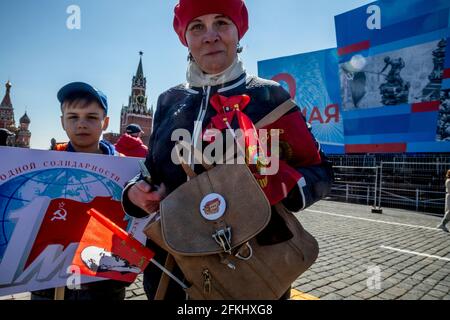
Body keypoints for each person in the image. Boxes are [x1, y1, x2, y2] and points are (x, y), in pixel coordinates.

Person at [121, 0, 333, 300]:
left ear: (238, 32)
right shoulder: (169, 100)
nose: (210, 35)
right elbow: (149, 171)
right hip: (172, 273)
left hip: (252, 271)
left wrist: (283, 184)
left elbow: (321, 171)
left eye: (221, 22)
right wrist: (134, 193)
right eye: (197, 27)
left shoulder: (270, 95)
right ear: (186, 38)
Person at [31, 82, 128, 300]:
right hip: (47, 279)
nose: (81, 124)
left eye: (92, 117)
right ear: (62, 121)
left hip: (103, 283)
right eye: (73, 117)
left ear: (106, 122)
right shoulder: (44, 166)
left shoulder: (125, 169)